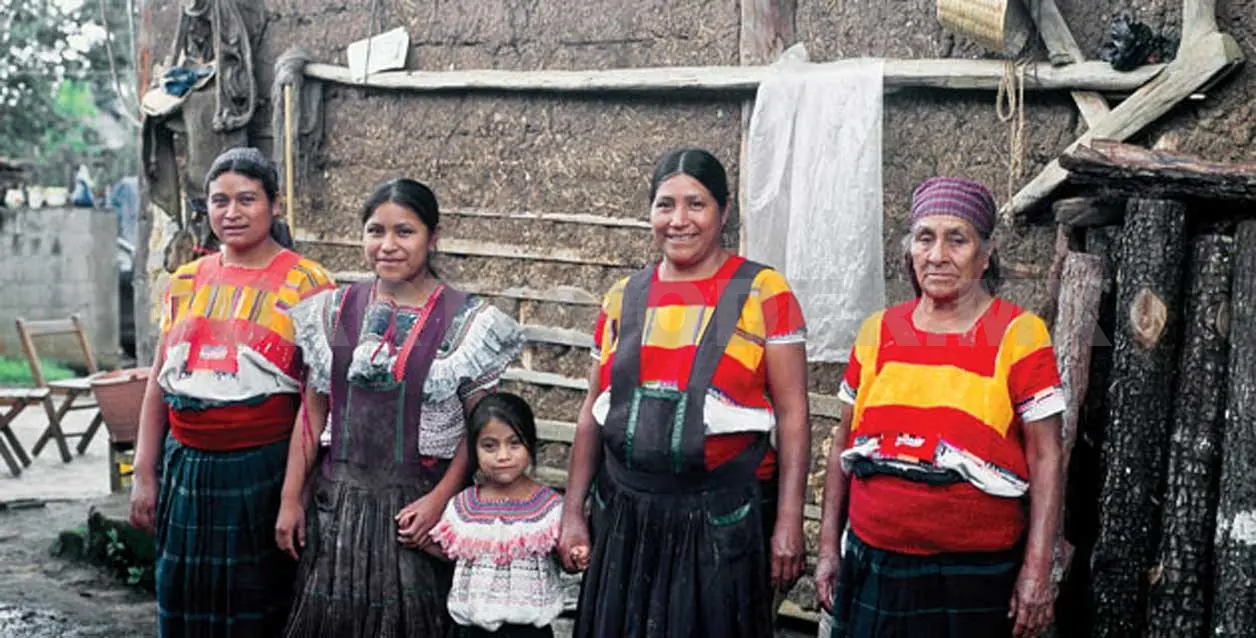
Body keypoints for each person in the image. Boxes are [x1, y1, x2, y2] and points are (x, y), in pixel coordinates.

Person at [559, 148, 811, 637]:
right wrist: (573, 510)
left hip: (722, 518)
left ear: (724, 209)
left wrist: (788, 520)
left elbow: (793, 414)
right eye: (665, 205)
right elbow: (593, 411)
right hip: (625, 516)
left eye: (696, 204)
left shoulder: (761, 291)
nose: (679, 220)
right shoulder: (624, 297)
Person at [814, 177, 1065, 638]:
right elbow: (841, 446)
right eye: (925, 238)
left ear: (985, 255)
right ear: (910, 250)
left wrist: (1037, 568)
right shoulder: (878, 331)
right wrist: (830, 548)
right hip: (874, 561)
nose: (937, 255)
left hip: (972, 576)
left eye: (957, 239)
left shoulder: (1019, 333)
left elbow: (1047, 457)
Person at [277, 177, 525, 637]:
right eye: (376, 231)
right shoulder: (338, 313)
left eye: (404, 231)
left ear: (434, 236)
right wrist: (291, 499)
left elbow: (481, 430)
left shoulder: (465, 322)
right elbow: (312, 415)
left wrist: (439, 500)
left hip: (417, 512)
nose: (387, 245)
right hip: (338, 508)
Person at [127, 146, 336, 637]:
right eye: (219, 201)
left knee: (255, 604)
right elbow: (159, 382)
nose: (232, 212)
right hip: (186, 467)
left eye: (247, 199)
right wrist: (144, 472)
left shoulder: (311, 284)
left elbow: (317, 402)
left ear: (275, 205)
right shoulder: (185, 280)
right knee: (184, 596)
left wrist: (292, 496)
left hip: (262, 469)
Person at [427, 392, 566, 638]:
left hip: (528, 633)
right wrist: (420, 541)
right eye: (489, 446)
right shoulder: (463, 507)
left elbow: (567, 559)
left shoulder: (550, 509)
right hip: (471, 631)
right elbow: (450, 552)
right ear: (474, 450)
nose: (503, 456)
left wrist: (576, 555)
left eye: (514, 443)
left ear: (531, 443)